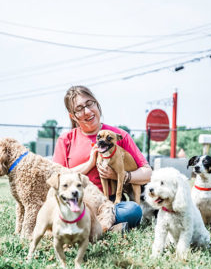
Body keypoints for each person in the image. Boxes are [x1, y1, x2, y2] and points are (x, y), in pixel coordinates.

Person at [53, 85, 152, 232]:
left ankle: (93, 227)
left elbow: (147, 173)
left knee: (133, 210)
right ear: (72, 116)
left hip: (109, 203)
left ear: (97, 104)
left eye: (89, 104)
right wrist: (89, 164)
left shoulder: (119, 135)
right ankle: (107, 228)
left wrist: (123, 175)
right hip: (77, 201)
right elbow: (56, 178)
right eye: (79, 109)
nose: (87, 111)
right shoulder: (66, 139)